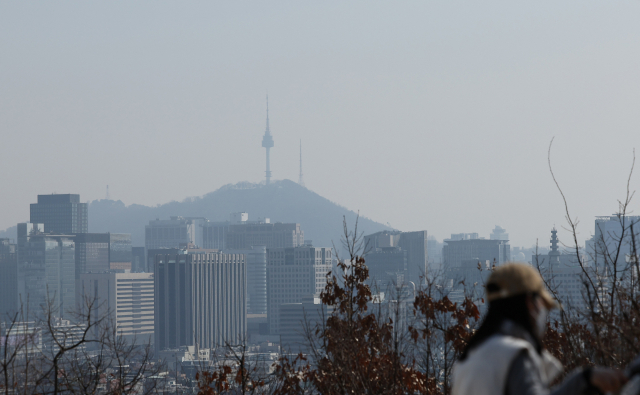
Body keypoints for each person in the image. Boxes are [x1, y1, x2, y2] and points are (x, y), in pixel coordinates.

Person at [452, 263, 627, 395]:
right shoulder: (514, 354)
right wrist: (584, 380)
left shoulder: (469, 359)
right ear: (530, 303)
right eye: (542, 304)